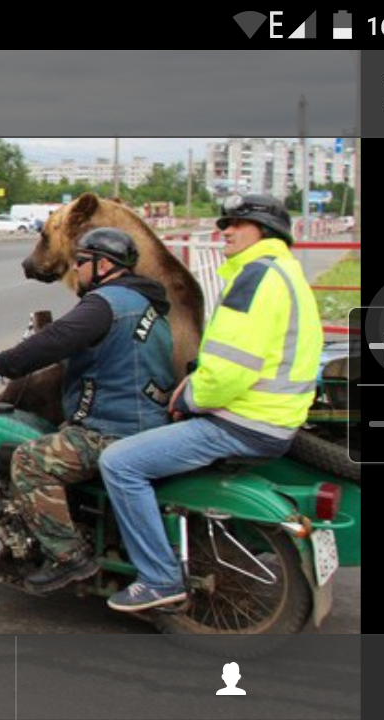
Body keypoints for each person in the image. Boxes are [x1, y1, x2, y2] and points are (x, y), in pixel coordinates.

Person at [98, 194, 322, 612]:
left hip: (242, 421)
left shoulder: (254, 278)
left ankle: (160, 579)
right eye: (225, 223)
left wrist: (194, 397)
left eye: (238, 223)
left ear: (266, 232)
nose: (226, 231)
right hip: (273, 417)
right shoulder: (286, 273)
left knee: (119, 462)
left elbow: (235, 367)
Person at [0, 228, 176, 594]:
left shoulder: (105, 303)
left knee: (29, 461)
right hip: (146, 421)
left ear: (103, 265)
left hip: (111, 429)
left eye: (81, 263)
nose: (77, 271)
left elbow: (55, 340)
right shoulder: (145, 304)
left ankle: (69, 557)